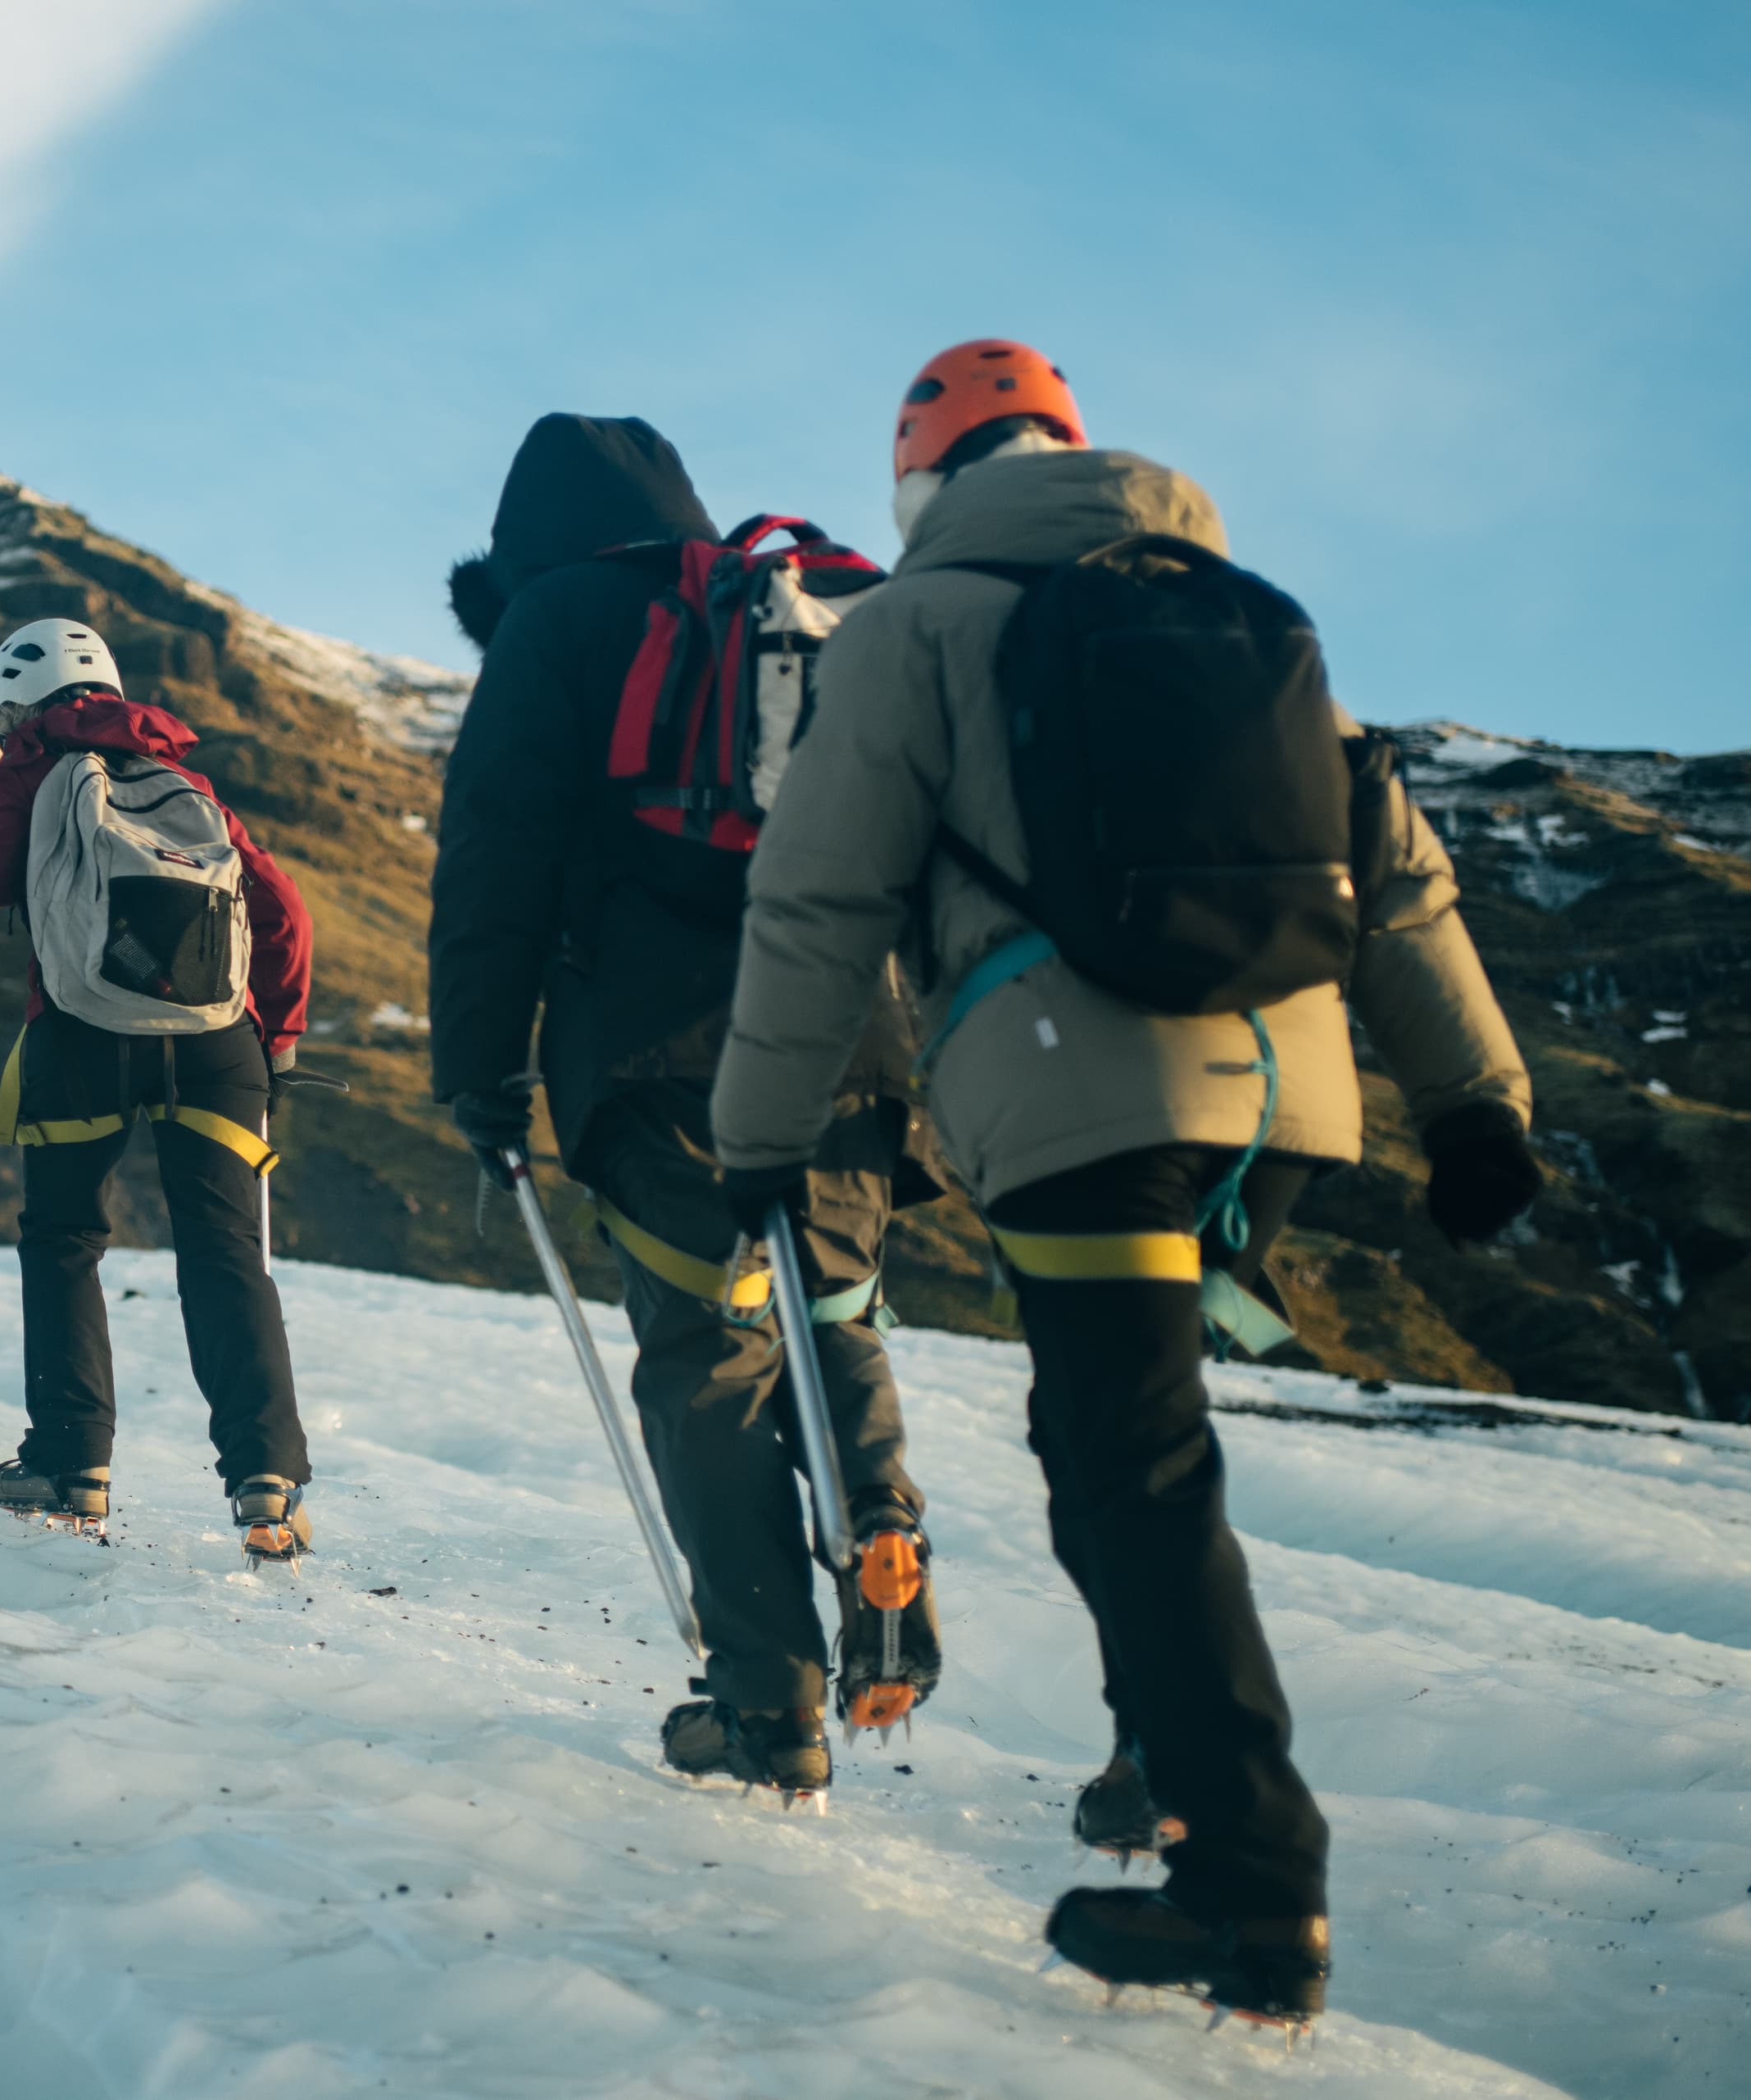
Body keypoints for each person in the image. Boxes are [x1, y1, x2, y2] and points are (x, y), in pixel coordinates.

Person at [709, 339, 1540, 2022]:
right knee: (1108, 1447)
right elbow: (1396, 869)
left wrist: (760, 1134)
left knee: (1135, 1465)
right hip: (1284, 1101)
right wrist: (1476, 1105)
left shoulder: (918, 627)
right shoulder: (1230, 605)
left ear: (924, 481)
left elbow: (821, 893)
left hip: (1083, 1094)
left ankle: (1253, 1885)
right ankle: (1170, 1776)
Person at [426, 415, 945, 1805]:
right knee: (835, 1313)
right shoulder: (797, 612)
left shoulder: (557, 622)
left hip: (658, 1061)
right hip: (848, 1042)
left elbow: (495, 855)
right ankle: (881, 1528)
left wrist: (482, 1068)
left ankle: (770, 1703)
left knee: (710, 1360)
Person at [0, 620, 324, 1560]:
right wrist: (274, 1039)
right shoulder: (183, 778)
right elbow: (283, 913)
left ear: (17, 706)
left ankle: (72, 1463)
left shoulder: (32, 766)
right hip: (216, 1044)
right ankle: (268, 1483)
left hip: (84, 1038)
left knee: (65, 1240)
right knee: (227, 1252)